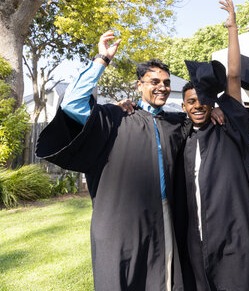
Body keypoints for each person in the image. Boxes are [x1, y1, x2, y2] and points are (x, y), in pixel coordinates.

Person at [36, 32, 196, 291]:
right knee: (120, 275)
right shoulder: (116, 116)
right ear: (138, 85)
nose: (162, 87)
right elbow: (73, 104)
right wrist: (101, 59)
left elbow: (201, 118)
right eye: (154, 81)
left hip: (163, 211)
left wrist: (217, 107)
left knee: (164, 276)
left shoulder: (175, 122)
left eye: (166, 82)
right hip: (119, 216)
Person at [181, 0, 249, 291]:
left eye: (202, 100)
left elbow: (233, 75)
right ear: (183, 106)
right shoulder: (182, 135)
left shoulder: (229, 126)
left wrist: (232, 27)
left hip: (234, 235)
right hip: (198, 239)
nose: (197, 106)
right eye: (191, 102)